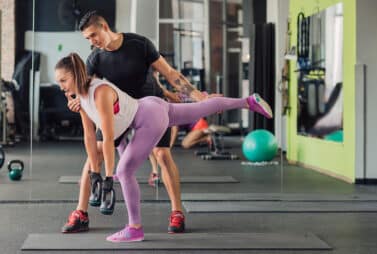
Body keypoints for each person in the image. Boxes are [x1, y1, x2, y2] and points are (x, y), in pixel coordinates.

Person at [55, 52, 272, 242]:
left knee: (124, 171)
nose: (61, 86)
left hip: (148, 118)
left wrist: (109, 176)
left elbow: (109, 136)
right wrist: (95, 172)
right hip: (150, 105)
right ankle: (248, 102)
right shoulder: (80, 98)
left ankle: (134, 228)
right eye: (59, 82)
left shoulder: (98, 92)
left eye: (64, 80)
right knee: (199, 108)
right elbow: (90, 136)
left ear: (76, 74)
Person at [62, 10, 210, 234]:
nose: (92, 42)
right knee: (97, 152)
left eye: (93, 35)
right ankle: (81, 213)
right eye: (87, 39)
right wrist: (75, 101)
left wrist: (198, 96)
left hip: (149, 107)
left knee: (162, 154)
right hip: (118, 112)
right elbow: (85, 90)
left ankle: (177, 212)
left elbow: (170, 74)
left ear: (104, 26)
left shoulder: (139, 44)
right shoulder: (95, 58)